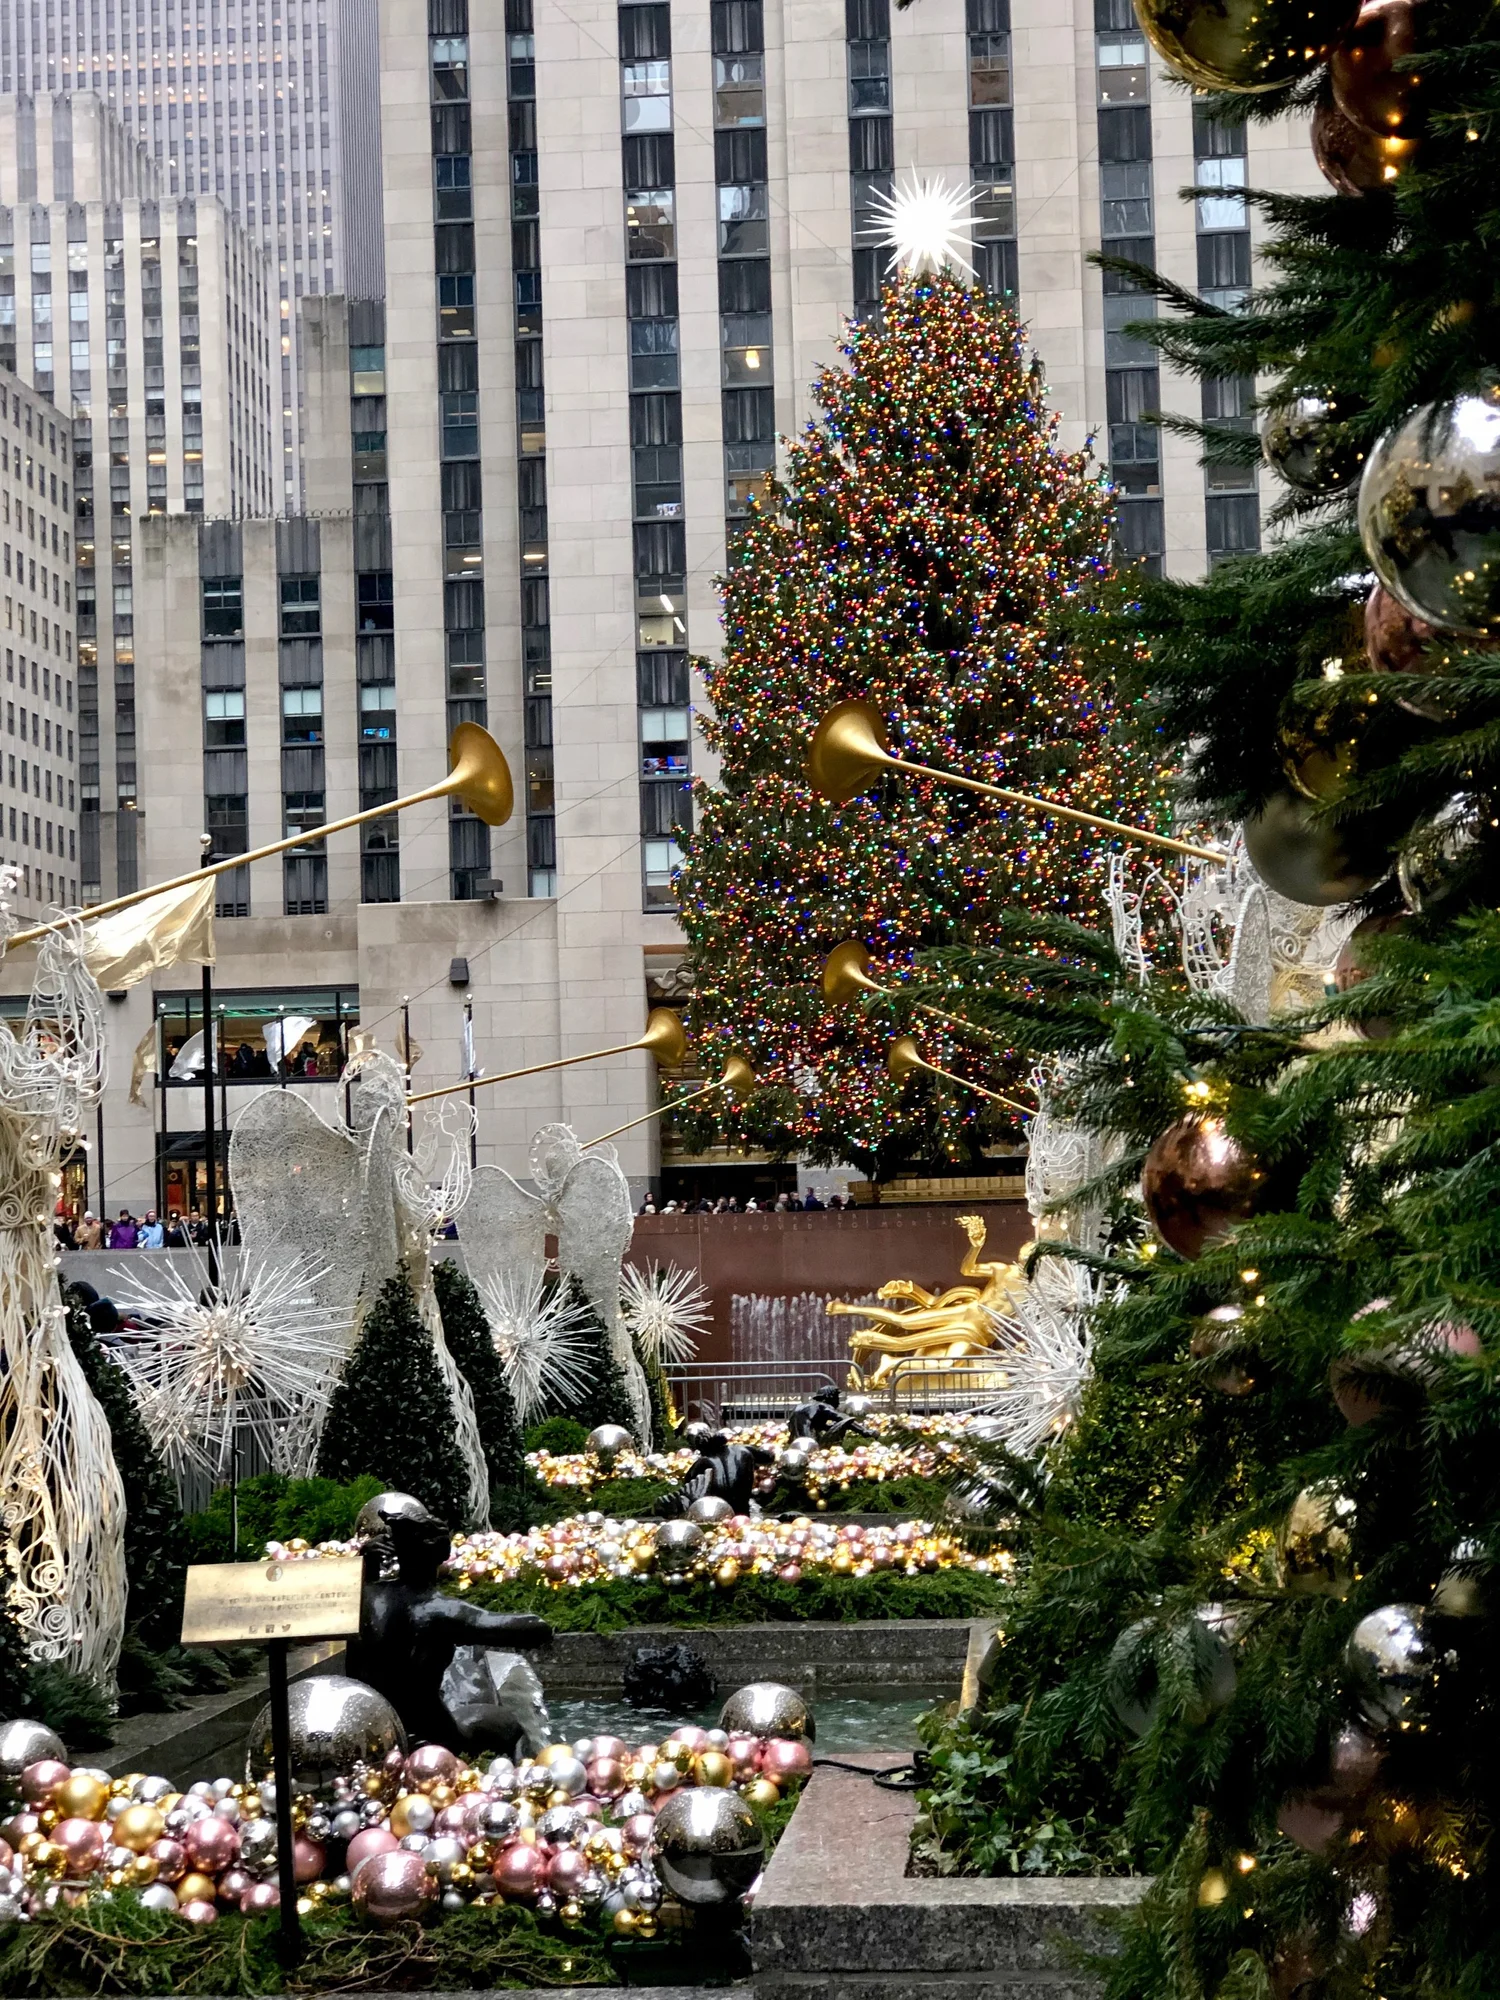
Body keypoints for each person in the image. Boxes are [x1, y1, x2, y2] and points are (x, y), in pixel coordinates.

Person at [345, 1508, 552, 1755]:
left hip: (369, 1730)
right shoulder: (444, 1611)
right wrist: (538, 1623)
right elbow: (533, 1630)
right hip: (430, 1734)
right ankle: (515, 1767)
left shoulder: (366, 1596)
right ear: (443, 1555)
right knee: (505, 1722)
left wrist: (367, 1564)